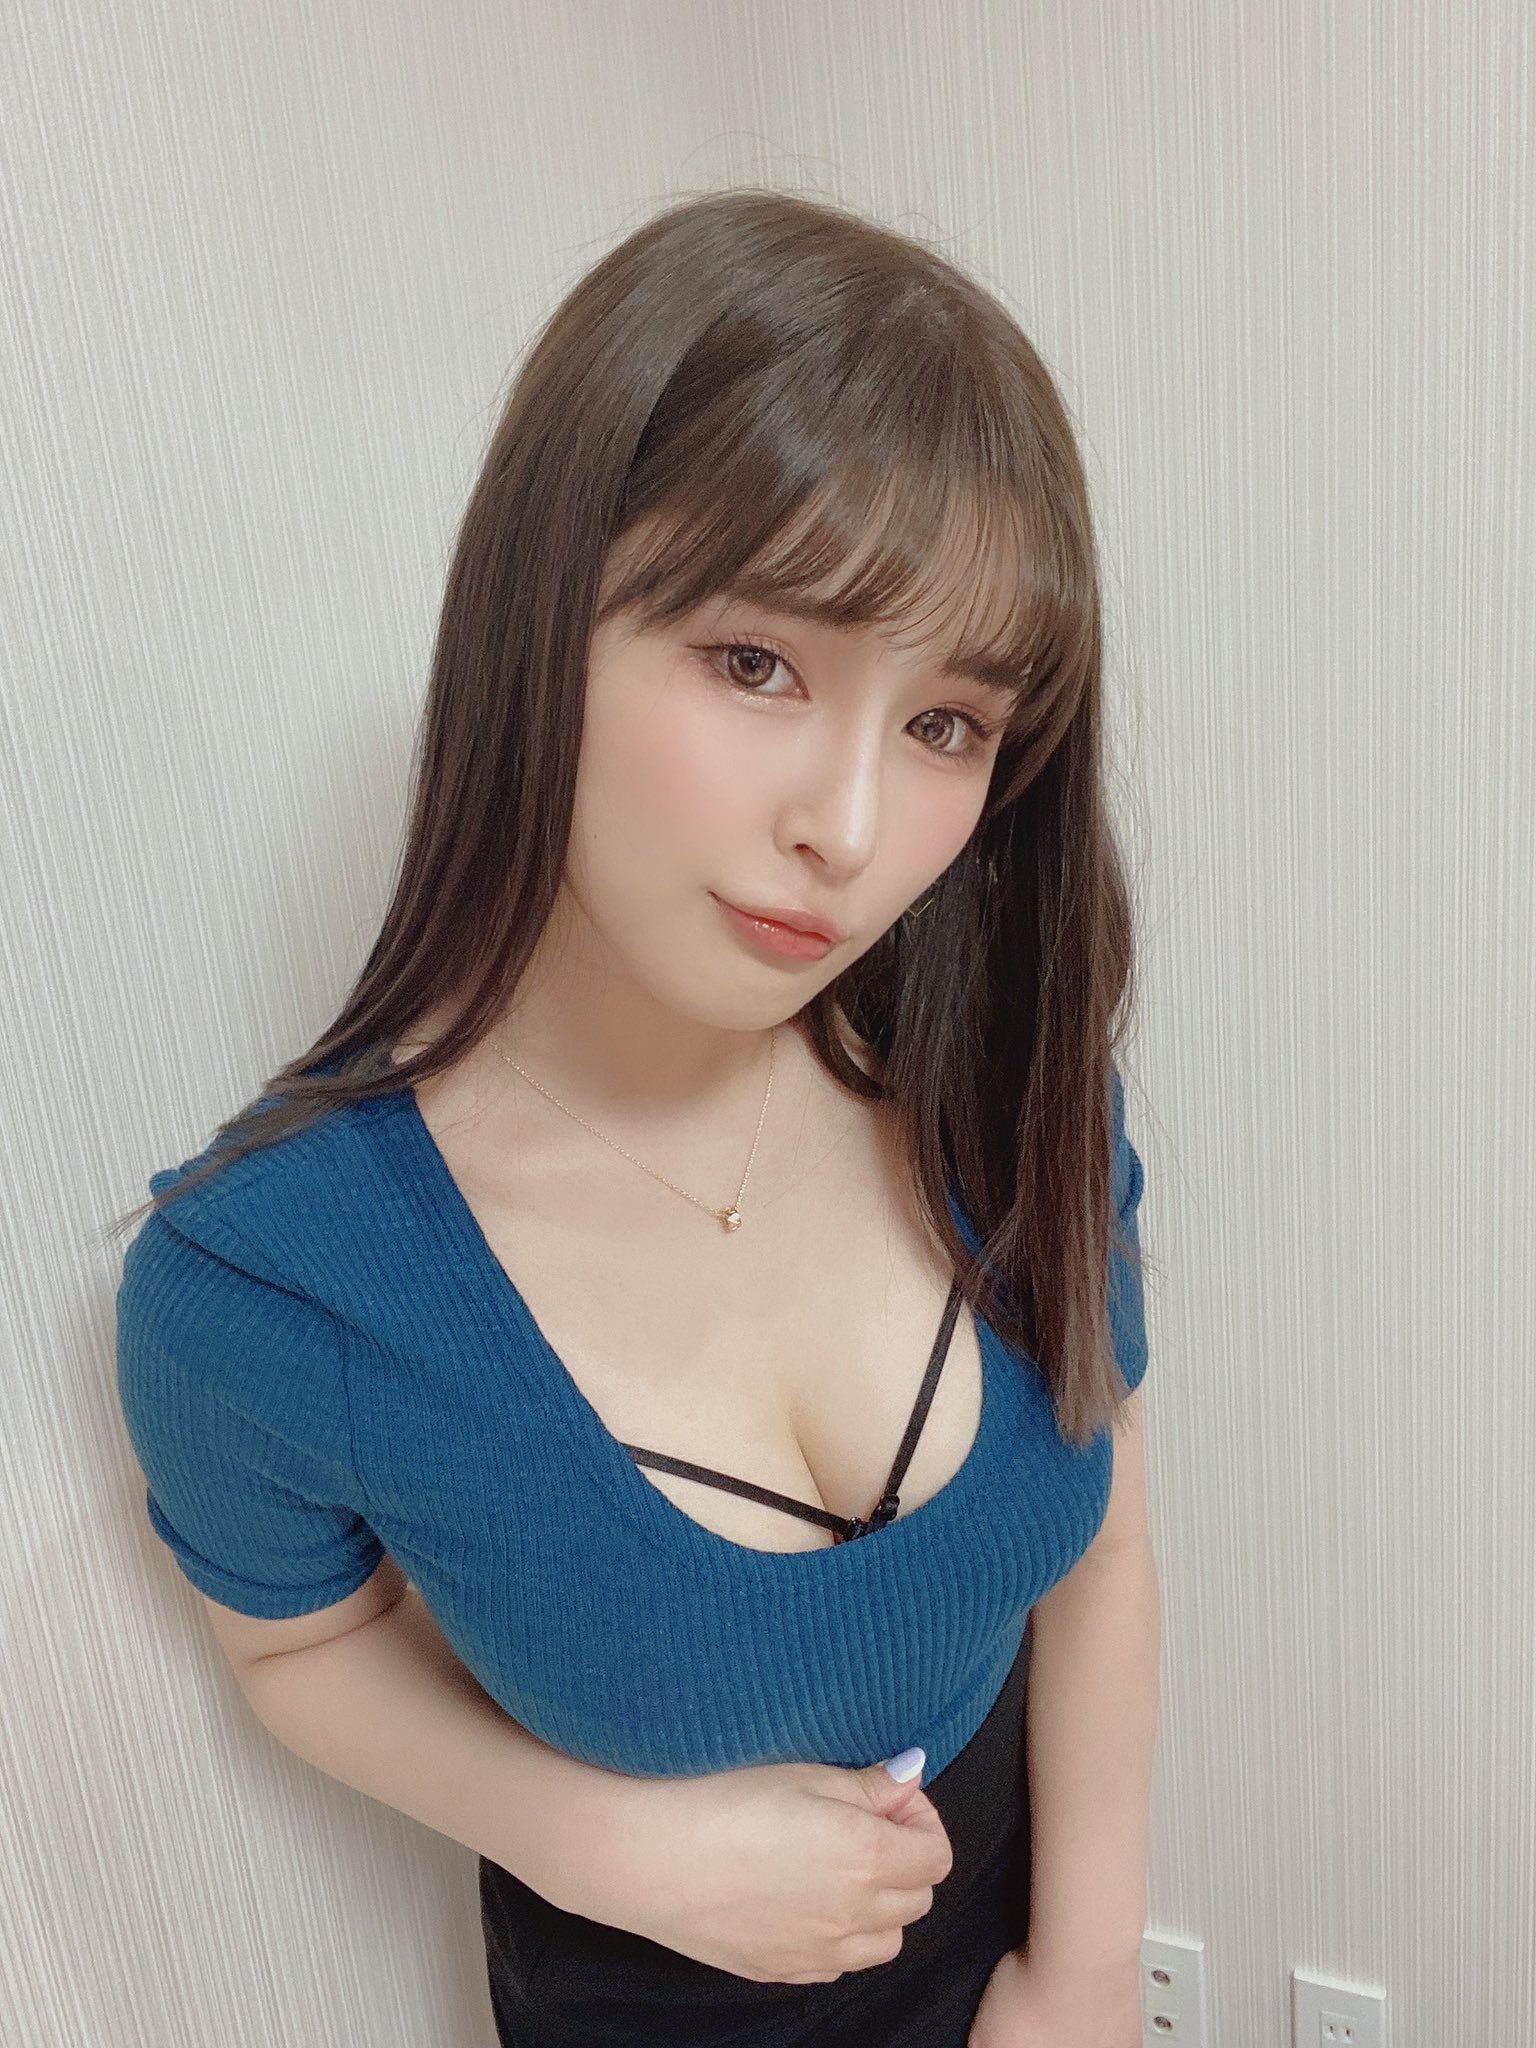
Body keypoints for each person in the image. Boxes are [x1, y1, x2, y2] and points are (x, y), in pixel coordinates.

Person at [112, 187, 1158, 2047]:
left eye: (946, 725)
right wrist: (601, 1843)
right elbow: (297, 1647)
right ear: (539, 623)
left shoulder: (1005, 1078)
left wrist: (1079, 1975)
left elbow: (1101, 1530)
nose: (850, 829)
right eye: (758, 663)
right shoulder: (270, 1284)